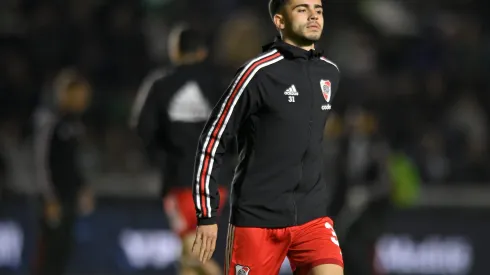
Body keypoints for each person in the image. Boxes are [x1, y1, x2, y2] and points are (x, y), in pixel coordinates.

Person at [191, 0, 344, 274]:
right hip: (257, 220)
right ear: (279, 21)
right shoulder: (257, 73)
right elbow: (213, 138)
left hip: (312, 218)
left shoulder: (330, 72)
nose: (313, 16)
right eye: (302, 9)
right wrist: (207, 214)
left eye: (318, 10)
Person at [130, 25, 230, 275]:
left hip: (180, 181)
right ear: (202, 52)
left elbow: (141, 126)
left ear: (174, 51)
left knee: (194, 252)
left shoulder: (160, 83)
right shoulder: (219, 85)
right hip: (216, 183)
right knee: (189, 257)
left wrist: (160, 159)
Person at [32, 69, 94, 275]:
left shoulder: (74, 124)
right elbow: (43, 162)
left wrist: (83, 187)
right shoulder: (51, 121)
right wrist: (49, 197)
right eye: (79, 94)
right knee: (48, 255)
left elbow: (74, 163)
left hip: (68, 199)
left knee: (62, 253)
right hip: (54, 200)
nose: (84, 99)